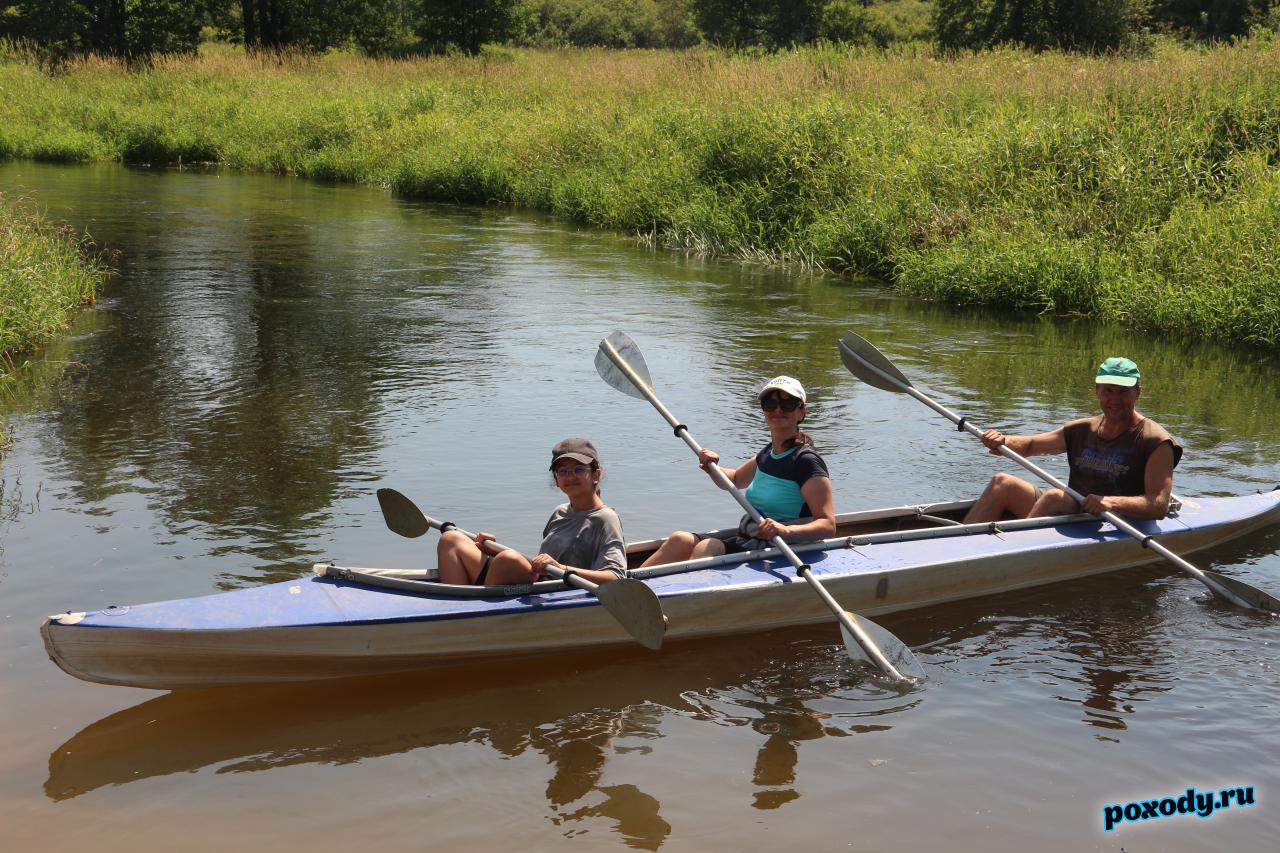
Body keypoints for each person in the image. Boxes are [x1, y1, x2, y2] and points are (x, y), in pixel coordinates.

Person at [640, 376, 835, 567]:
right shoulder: (769, 452)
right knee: (679, 540)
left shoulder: (806, 461)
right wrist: (712, 466)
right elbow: (735, 480)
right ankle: (624, 590)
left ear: (802, 412)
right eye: (769, 403)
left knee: (710, 546)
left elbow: (827, 525)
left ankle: (685, 596)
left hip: (782, 547)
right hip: (751, 540)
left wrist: (785, 530)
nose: (777, 410)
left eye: (787, 404)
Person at [962, 357, 1183, 524]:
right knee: (1003, 483)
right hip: (1073, 509)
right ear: (1097, 391)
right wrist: (1002, 441)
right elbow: (1030, 445)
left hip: (1112, 520)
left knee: (1055, 497)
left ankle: (1009, 552)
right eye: (1108, 391)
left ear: (1137, 392)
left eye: (1123, 392)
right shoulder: (1081, 429)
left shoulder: (1155, 440)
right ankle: (960, 545)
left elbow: (1158, 505)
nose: (1114, 399)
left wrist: (1110, 502)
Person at [436, 438, 627, 586]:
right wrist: (489, 551)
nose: (570, 477)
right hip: (535, 584)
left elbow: (616, 577)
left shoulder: (605, 519)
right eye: (562, 471)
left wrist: (562, 568)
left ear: (596, 475)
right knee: (451, 539)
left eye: (578, 469)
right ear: (555, 478)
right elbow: (538, 563)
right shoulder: (559, 512)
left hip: (561, 590)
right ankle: (459, 608)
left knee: (508, 559)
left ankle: (473, 615)